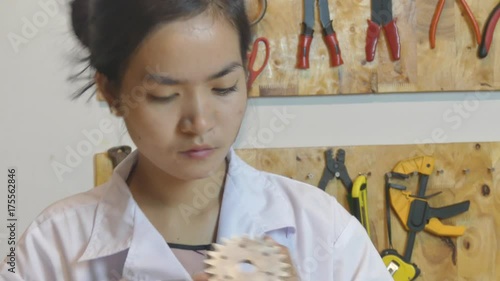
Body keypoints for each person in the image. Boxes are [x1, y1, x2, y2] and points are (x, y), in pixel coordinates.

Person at [0, 0, 392, 280]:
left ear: (249, 71)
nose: (199, 122)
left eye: (223, 88)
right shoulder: (52, 249)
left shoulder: (323, 230)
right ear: (111, 92)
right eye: (163, 96)